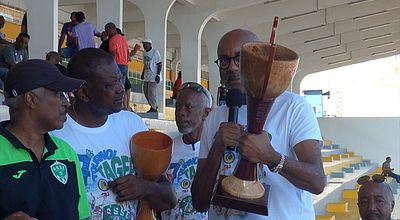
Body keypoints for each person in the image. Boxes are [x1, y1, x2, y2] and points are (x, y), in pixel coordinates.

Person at [191, 29, 326, 219]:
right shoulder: (215, 117)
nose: (231, 67)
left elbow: (317, 181)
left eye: (240, 58)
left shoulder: (293, 107)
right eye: (224, 60)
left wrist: (271, 157)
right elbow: (199, 202)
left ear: (260, 60)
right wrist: (217, 148)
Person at [51, 48, 177, 219]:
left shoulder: (131, 124)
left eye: (120, 79)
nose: (120, 89)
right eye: (110, 85)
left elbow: (169, 199)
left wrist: (145, 188)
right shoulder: (55, 134)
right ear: (83, 93)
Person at [0, 59, 89, 219]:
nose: (66, 103)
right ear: (31, 99)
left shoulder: (66, 152)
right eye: (58, 93)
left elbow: (82, 216)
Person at [162, 82, 212, 220]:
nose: (180, 113)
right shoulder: (165, 150)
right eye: (177, 107)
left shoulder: (215, 150)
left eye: (188, 107)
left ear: (206, 113)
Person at [141, 37, 162, 113]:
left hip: (153, 76)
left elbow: (159, 64)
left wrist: (158, 75)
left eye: (145, 44)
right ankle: (154, 106)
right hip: (147, 75)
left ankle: (153, 108)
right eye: (143, 44)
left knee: (151, 92)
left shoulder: (155, 52)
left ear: (149, 44)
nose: (144, 46)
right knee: (146, 92)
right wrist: (143, 73)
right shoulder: (144, 53)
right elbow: (145, 64)